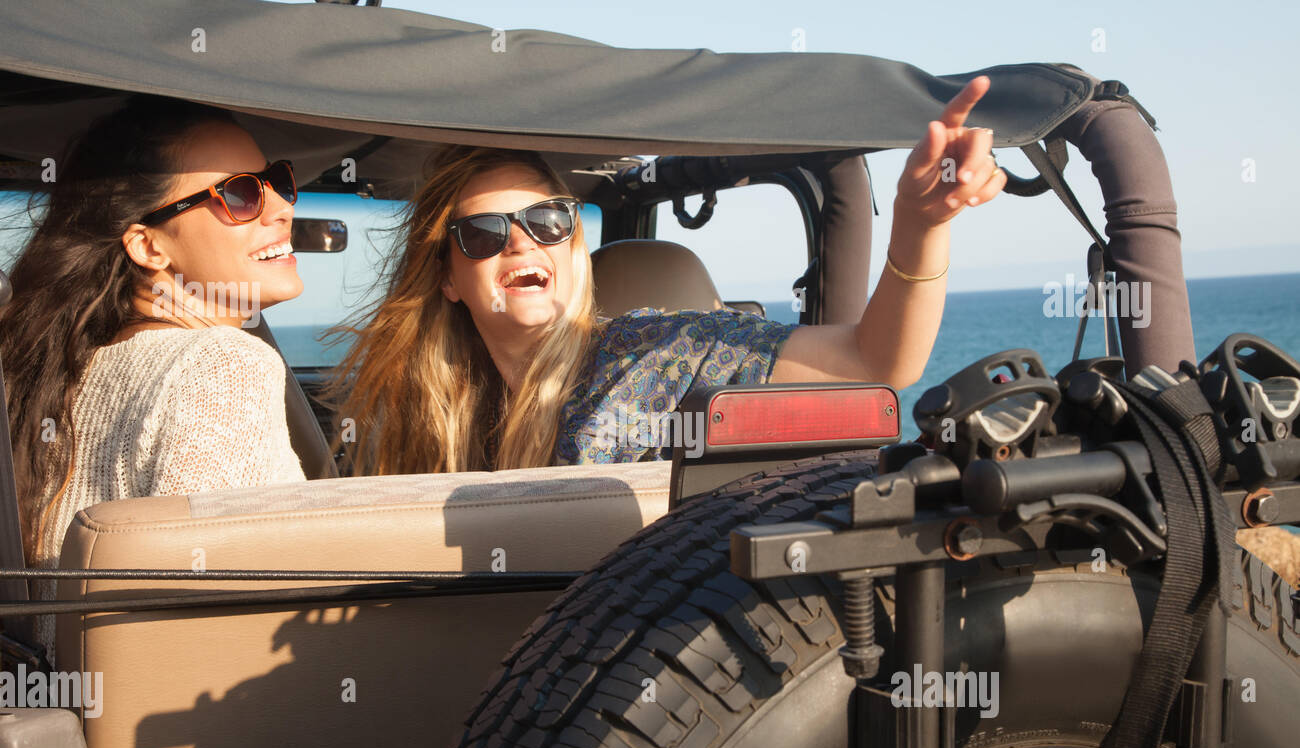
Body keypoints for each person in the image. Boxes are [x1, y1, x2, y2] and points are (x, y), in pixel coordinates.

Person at [329, 77, 1006, 475]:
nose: (522, 243)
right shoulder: (421, 419)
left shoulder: (653, 354)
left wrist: (921, 224)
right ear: (447, 276)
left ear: (574, 242)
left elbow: (875, 360)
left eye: (549, 220)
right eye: (483, 234)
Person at [0, 96, 307, 662]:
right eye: (239, 194)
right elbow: (220, 632)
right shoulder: (223, 364)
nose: (281, 208)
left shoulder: (47, 368)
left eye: (277, 181)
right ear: (147, 245)